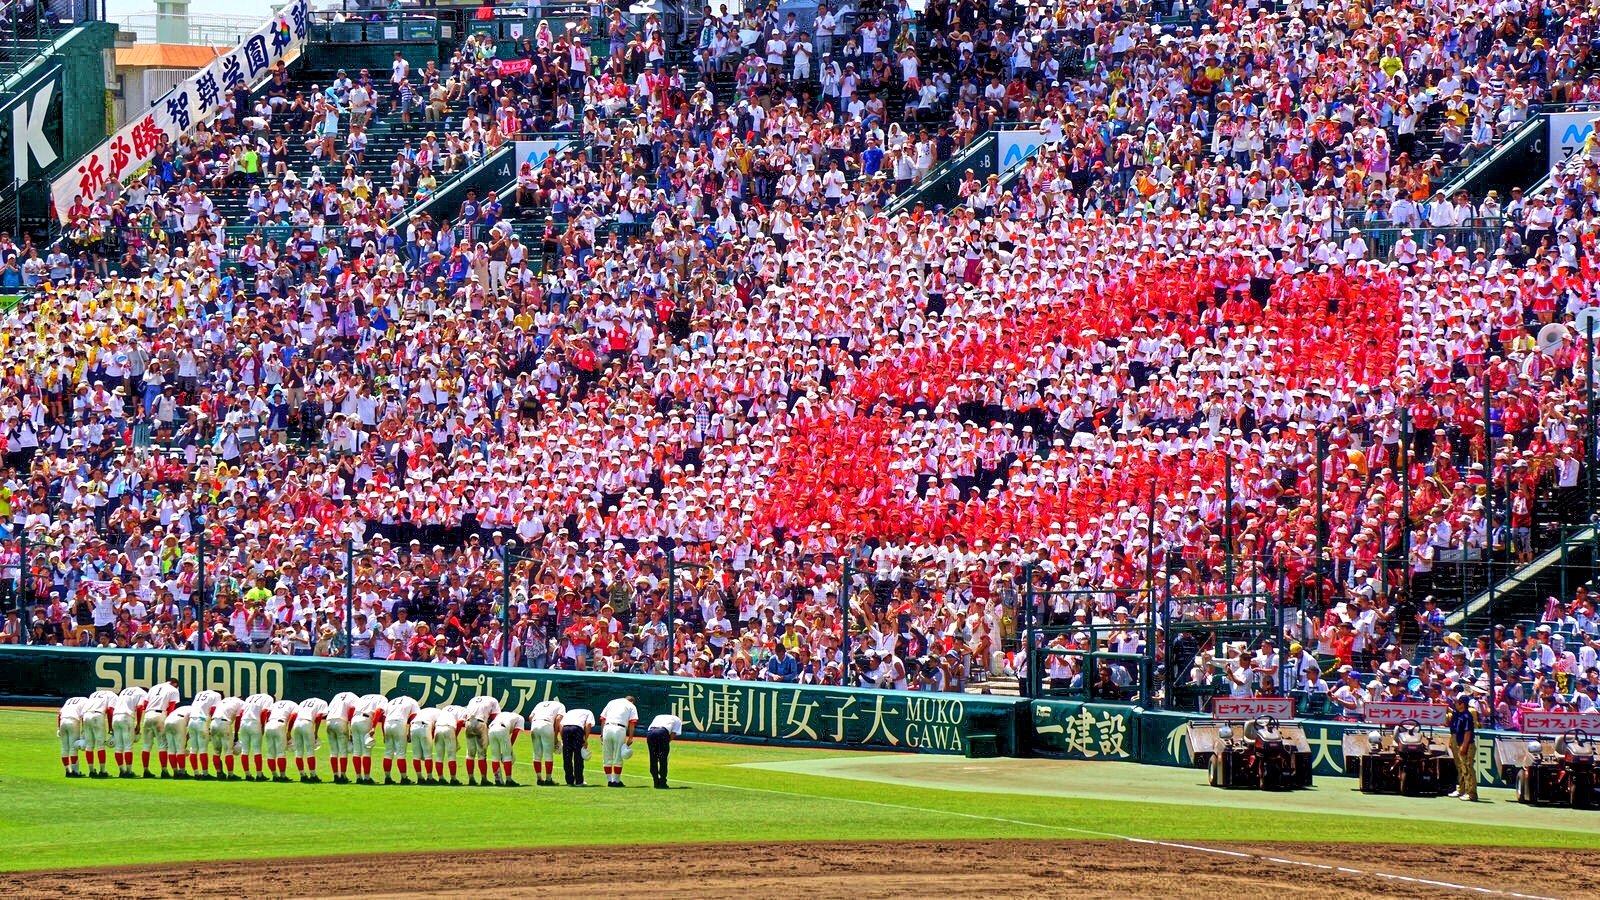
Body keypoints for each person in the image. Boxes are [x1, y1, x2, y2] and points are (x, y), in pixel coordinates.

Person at [141, 678, 181, 777]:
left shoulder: (154, 688)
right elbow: (171, 707)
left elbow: (145, 704)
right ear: (175, 684)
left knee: (146, 745)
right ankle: (164, 771)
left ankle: (145, 770)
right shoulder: (173, 689)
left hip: (147, 715)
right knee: (162, 745)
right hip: (160, 714)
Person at [462, 694, 502, 786]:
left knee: (470, 754)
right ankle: (484, 779)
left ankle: (471, 779)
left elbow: (465, 715)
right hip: (480, 723)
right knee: (482, 754)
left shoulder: (473, 699)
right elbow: (496, 717)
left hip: (468, 723)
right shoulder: (493, 700)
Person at [599, 695, 638, 787]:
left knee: (607, 756)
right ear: (632, 701)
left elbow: (603, 720)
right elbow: (632, 723)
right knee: (618, 756)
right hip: (619, 729)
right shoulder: (631, 706)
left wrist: (602, 734)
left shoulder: (612, 702)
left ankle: (609, 780)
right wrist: (631, 737)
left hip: (607, 728)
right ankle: (616, 781)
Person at [110, 685, 148, 778]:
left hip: (115, 717)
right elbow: (139, 707)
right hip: (126, 717)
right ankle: (129, 771)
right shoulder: (143, 693)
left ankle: (121, 771)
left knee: (118, 747)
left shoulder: (124, 691)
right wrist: (138, 723)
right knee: (128, 747)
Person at [349, 693, 388, 785]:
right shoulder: (382, 698)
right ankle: (366, 778)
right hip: (365, 720)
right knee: (366, 751)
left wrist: (351, 724)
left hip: (354, 719)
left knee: (356, 751)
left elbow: (352, 709)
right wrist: (374, 727)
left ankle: (358, 778)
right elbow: (378, 711)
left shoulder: (363, 696)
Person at [382, 694, 421, 784]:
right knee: (401, 753)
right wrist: (409, 733)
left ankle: (387, 778)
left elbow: (383, 717)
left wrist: (384, 734)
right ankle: (404, 778)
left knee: (388, 753)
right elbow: (414, 718)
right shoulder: (412, 701)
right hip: (399, 724)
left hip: (387, 724)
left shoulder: (392, 701)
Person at [1448, 692, 1478, 801]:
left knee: (1468, 769)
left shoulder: (1466, 716)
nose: (1455, 704)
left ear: (1462, 704)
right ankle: (1462, 789)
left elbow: (1468, 733)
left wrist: (1464, 746)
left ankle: (1472, 794)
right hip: (1461, 744)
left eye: (1457, 702)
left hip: (1467, 745)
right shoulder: (1459, 714)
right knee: (1463, 768)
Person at [528, 697, 566, 786]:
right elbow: (558, 720)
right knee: (548, 754)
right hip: (546, 724)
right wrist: (555, 735)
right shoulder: (560, 705)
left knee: (537, 754)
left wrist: (536, 725)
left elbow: (530, 717)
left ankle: (539, 778)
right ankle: (548, 779)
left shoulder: (540, 704)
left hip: (534, 724)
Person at [207, 694, 246, 780]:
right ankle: (231, 775)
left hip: (213, 723)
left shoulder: (225, 700)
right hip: (224, 723)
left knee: (216, 751)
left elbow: (212, 711)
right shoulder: (241, 703)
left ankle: (219, 773)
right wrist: (236, 734)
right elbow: (238, 719)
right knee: (228, 751)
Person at [186, 689, 222, 778]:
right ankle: (205, 773)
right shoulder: (216, 695)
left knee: (193, 749)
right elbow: (214, 710)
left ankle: (196, 773)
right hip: (201, 721)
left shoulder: (199, 694)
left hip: (191, 720)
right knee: (203, 749)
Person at [239, 692, 276, 780]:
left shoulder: (250, 697)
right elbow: (264, 712)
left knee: (244, 750)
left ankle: (247, 774)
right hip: (255, 723)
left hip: (243, 722)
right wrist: (263, 726)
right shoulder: (268, 698)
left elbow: (241, 712)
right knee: (257, 750)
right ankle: (259, 775)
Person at [326, 691, 360, 783]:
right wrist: (350, 725)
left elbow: (328, 710)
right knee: (343, 751)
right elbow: (352, 709)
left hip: (329, 721)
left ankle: (335, 775)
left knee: (333, 752)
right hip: (341, 721)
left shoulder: (336, 695)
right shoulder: (354, 696)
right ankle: (343, 776)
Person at [291, 697, 329, 781]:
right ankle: (313, 775)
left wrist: (289, 731)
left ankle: (302, 775)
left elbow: (294, 715)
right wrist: (315, 732)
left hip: (296, 724)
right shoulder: (322, 702)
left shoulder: (303, 701)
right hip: (307, 723)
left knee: (298, 751)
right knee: (310, 751)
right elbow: (319, 716)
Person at [81, 690, 117, 778]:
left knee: (89, 745)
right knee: (100, 745)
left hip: (86, 716)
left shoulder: (93, 694)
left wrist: (83, 728)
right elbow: (110, 710)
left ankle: (91, 771)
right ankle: (102, 771)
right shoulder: (113, 695)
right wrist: (111, 727)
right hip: (97, 716)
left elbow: (83, 712)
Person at [263, 698, 299, 782]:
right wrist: (289, 731)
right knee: (281, 752)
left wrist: (267, 723)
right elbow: (294, 716)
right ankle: (283, 776)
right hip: (280, 724)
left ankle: (274, 775)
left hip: (268, 724)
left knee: (270, 753)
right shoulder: (293, 704)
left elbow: (267, 713)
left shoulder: (276, 704)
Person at [486, 710, 526, 786]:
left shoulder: (502, 714)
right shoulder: (520, 718)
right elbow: (515, 733)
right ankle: (509, 780)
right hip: (502, 729)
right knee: (507, 756)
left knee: (495, 757)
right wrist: (510, 747)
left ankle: (498, 779)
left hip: (491, 729)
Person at [560, 705, 596, 786]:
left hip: (565, 729)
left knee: (567, 756)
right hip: (577, 729)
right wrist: (585, 739)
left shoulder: (569, 712)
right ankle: (579, 781)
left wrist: (562, 738)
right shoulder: (588, 712)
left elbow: (561, 724)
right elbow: (588, 724)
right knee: (578, 755)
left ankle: (569, 781)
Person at [645, 711, 682, 789]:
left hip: (650, 733)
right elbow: (673, 734)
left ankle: (655, 781)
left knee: (653, 758)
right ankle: (662, 782)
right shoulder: (678, 720)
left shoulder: (658, 716)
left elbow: (650, 729)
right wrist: (665, 744)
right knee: (663, 759)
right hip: (662, 732)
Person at [432, 703, 466, 784]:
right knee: (451, 756)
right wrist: (455, 737)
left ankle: (441, 778)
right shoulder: (465, 711)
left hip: (438, 728)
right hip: (449, 728)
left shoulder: (446, 708)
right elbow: (460, 722)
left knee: (439, 756)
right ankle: (453, 779)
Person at [57, 695, 88, 777]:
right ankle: (75, 771)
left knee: (64, 748)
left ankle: (67, 770)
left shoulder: (69, 700)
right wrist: (84, 730)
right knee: (73, 748)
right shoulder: (86, 700)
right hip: (73, 721)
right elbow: (84, 716)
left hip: (62, 721)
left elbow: (59, 714)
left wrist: (58, 728)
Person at [409, 706, 440, 784]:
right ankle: (429, 778)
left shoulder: (422, 711)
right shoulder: (441, 713)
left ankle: (419, 778)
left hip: (413, 727)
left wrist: (408, 734)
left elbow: (411, 721)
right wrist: (432, 737)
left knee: (416, 755)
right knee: (428, 755)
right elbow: (438, 726)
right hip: (425, 726)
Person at [161, 702, 193, 777]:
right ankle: (182, 772)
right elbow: (191, 728)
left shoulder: (184, 707)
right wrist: (185, 742)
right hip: (179, 720)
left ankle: (175, 772)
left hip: (167, 720)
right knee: (180, 749)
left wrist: (185, 741)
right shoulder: (196, 710)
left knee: (171, 749)